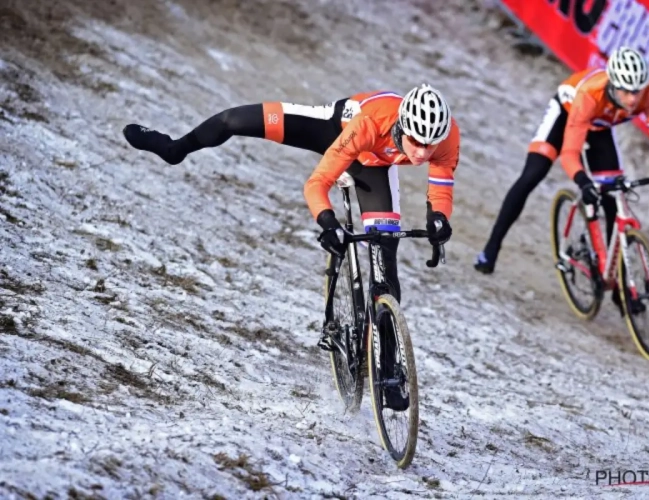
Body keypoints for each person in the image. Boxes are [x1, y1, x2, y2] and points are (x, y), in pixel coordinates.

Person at [122, 85, 460, 403]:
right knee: (233, 120)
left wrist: (439, 220)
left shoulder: (445, 137)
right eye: (415, 141)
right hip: (336, 130)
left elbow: (441, 187)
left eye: (429, 145)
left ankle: (389, 372)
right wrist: (327, 222)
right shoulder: (371, 124)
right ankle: (173, 148)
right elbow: (318, 183)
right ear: (402, 126)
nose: (421, 153)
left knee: (385, 270)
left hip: (375, 167)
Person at [474, 47, 649, 310]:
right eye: (626, 92)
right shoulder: (590, 94)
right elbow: (570, 154)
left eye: (637, 92)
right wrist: (583, 181)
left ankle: (617, 283)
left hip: (599, 127)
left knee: (612, 200)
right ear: (613, 85)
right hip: (568, 113)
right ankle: (490, 250)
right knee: (532, 174)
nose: (632, 100)